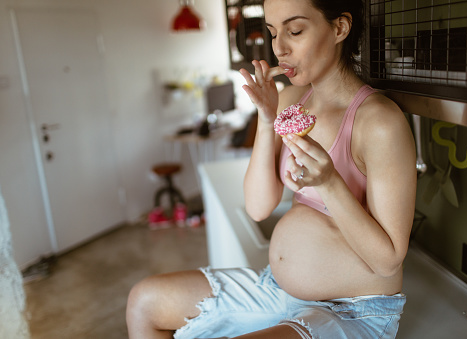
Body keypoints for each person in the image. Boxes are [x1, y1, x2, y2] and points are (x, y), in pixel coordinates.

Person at [126, 0, 417, 338]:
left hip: (353, 310)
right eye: (273, 32)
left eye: (295, 30)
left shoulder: (379, 121)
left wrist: (329, 183)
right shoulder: (291, 100)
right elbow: (258, 206)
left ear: (339, 28)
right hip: (276, 290)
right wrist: (267, 119)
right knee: (144, 302)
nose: (279, 47)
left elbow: (388, 261)